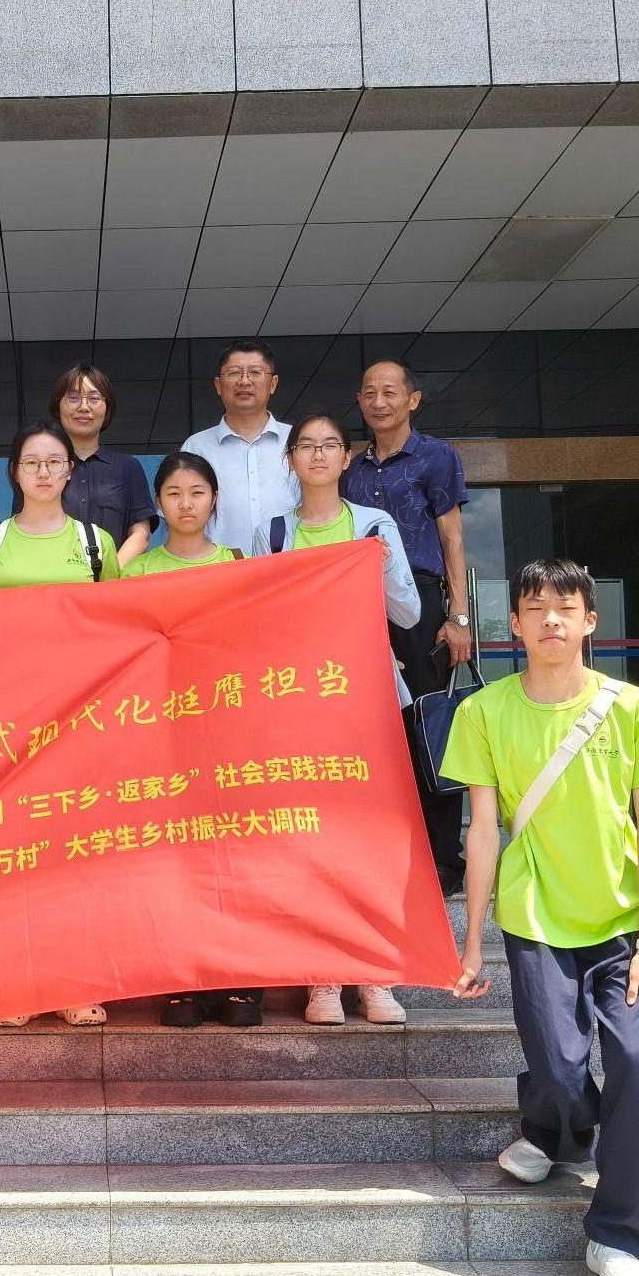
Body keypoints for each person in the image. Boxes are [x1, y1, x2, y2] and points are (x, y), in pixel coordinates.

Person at [445, 559, 639, 1276]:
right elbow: (482, 830)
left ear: (589, 621)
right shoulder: (483, 712)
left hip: (621, 927)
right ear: (514, 625)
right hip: (535, 917)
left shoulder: (635, 708)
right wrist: (471, 941)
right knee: (555, 1065)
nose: (550, 618)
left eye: (565, 606)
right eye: (535, 607)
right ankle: (555, 1130)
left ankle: (621, 1237)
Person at [254, 410, 420, 1028]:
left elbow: (408, 612)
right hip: (299, 708)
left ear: (347, 459)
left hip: (367, 703)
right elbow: (258, 621)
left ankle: (376, 976)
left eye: (330, 446)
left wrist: (380, 566)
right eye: (306, 446)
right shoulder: (273, 533)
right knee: (311, 844)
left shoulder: (374, 525)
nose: (318, 455)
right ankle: (322, 978)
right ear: (290, 459)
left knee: (371, 841)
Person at [0, 421, 121, 1026]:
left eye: (54, 461)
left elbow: (121, 628)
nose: (44, 472)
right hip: (5, 722)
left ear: (70, 471)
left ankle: (73, 982)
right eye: (32, 462)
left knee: (73, 855)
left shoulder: (95, 543)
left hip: (79, 720)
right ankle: (15, 987)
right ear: (15, 472)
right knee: (9, 857)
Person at [124, 452, 260, 1028]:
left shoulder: (239, 565)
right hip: (160, 734)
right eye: (174, 493)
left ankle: (239, 981)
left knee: (232, 859)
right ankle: (179, 982)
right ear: (159, 502)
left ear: (214, 500)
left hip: (225, 732)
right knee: (172, 860)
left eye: (197, 492)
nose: (186, 503)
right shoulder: (135, 574)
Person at [345, 359, 473, 896]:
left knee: (430, 725)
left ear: (412, 400)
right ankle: (389, 853)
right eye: (369, 393)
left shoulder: (436, 456)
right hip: (357, 602)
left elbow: (452, 538)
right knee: (375, 731)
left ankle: (444, 858)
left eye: (389, 392)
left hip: (420, 602)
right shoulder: (350, 467)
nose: (378, 402)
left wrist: (459, 615)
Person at [13, 364, 156, 566]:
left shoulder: (128, 467)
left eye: (94, 398)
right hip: (50, 578)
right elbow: (21, 529)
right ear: (58, 406)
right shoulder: (39, 468)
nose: (84, 407)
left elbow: (140, 534)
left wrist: (106, 574)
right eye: (73, 398)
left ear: (107, 407)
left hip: (112, 580)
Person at [181, 339, 298, 553]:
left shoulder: (298, 441)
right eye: (234, 373)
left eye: (255, 372)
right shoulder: (196, 448)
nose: (244, 381)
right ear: (218, 385)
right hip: (220, 569)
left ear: (273, 384)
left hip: (290, 567)